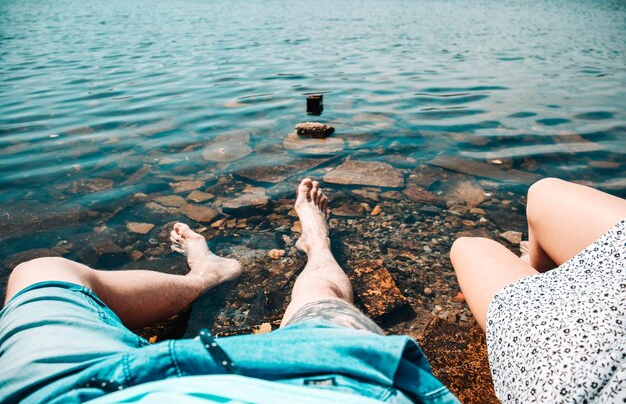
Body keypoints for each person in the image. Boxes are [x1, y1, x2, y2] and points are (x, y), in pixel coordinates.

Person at [0, 178, 459, 404]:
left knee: (41, 271)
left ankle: (206, 275)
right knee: (321, 297)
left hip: (81, 393)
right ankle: (315, 242)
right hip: (323, 388)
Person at [450, 178, 626, 403]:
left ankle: (539, 280)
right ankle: (540, 274)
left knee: (468, 248)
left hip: (584, 373)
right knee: (542, 192)